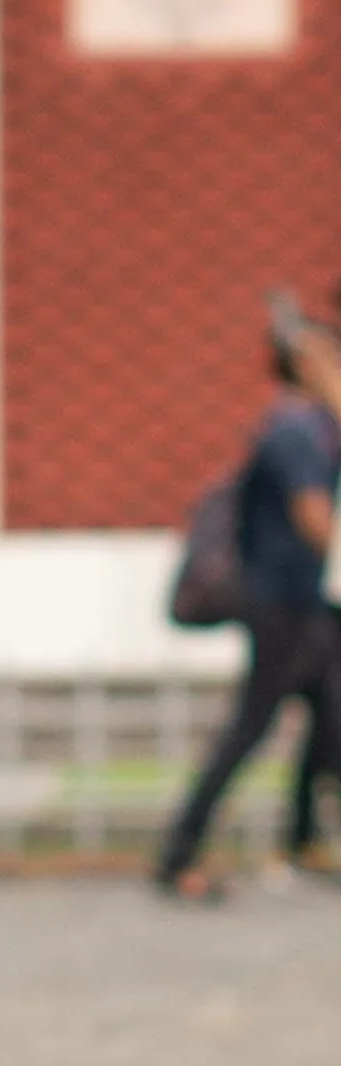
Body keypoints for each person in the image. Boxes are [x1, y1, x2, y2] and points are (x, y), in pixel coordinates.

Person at [155, 333, 341, 899]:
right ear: (306, 366)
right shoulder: (297, 430)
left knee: (332, 711)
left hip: (304, 602)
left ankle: (305, 837)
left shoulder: (313, 426)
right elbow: (313, 517)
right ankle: (179, 853)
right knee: (251, 726)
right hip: (280, 602)